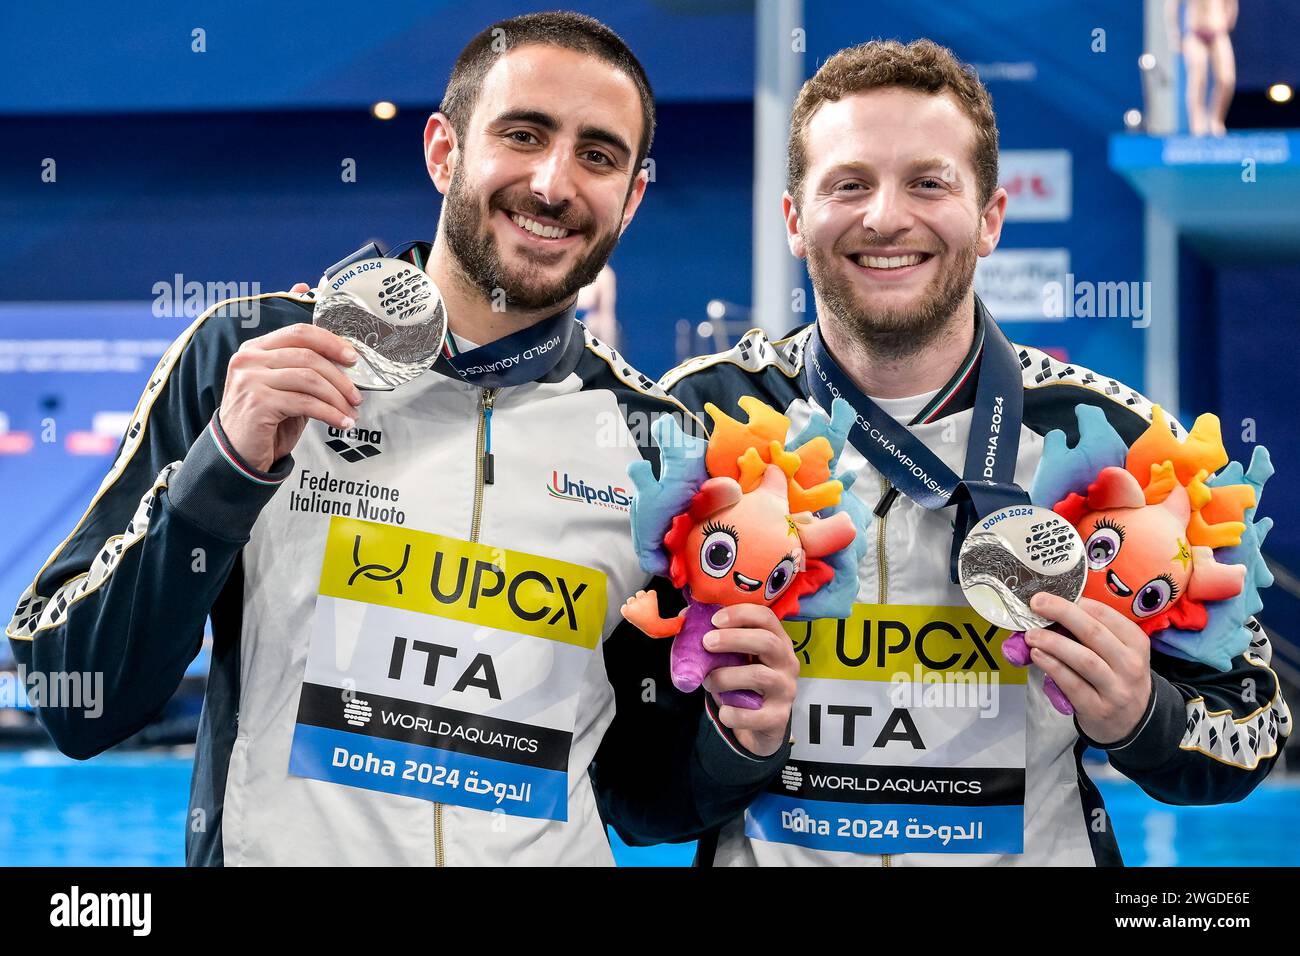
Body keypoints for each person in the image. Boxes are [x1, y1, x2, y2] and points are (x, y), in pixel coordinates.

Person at [5, 11, 797, 866]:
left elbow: (643, 803)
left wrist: (738, 741)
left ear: (633, 196)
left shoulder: (657, 444)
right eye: (522, 134)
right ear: (444, 152)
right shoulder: (253, 357)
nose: (554, 182)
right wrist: (225, 470)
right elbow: (73, 699)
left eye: (598, 156)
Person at [657, 38, 1290, 866]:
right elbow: (628, 775)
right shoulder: (699, 419)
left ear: (989, 216)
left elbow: (1256, 725)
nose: (886, 216)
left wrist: (1145, 716)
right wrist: (726, 745)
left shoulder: (1121, 446)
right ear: (794, 219)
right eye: (849, 184)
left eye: (928, 182)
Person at [1167, 0, 1238, 137]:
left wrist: (1228, 20)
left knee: (1227, 79)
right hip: (1195, 34)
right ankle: (1197, 124)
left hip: (1218, 32)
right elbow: (1172, 5)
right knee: (1198, 80)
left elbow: (1232, 3)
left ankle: (1216, 120)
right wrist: (1174, 34)